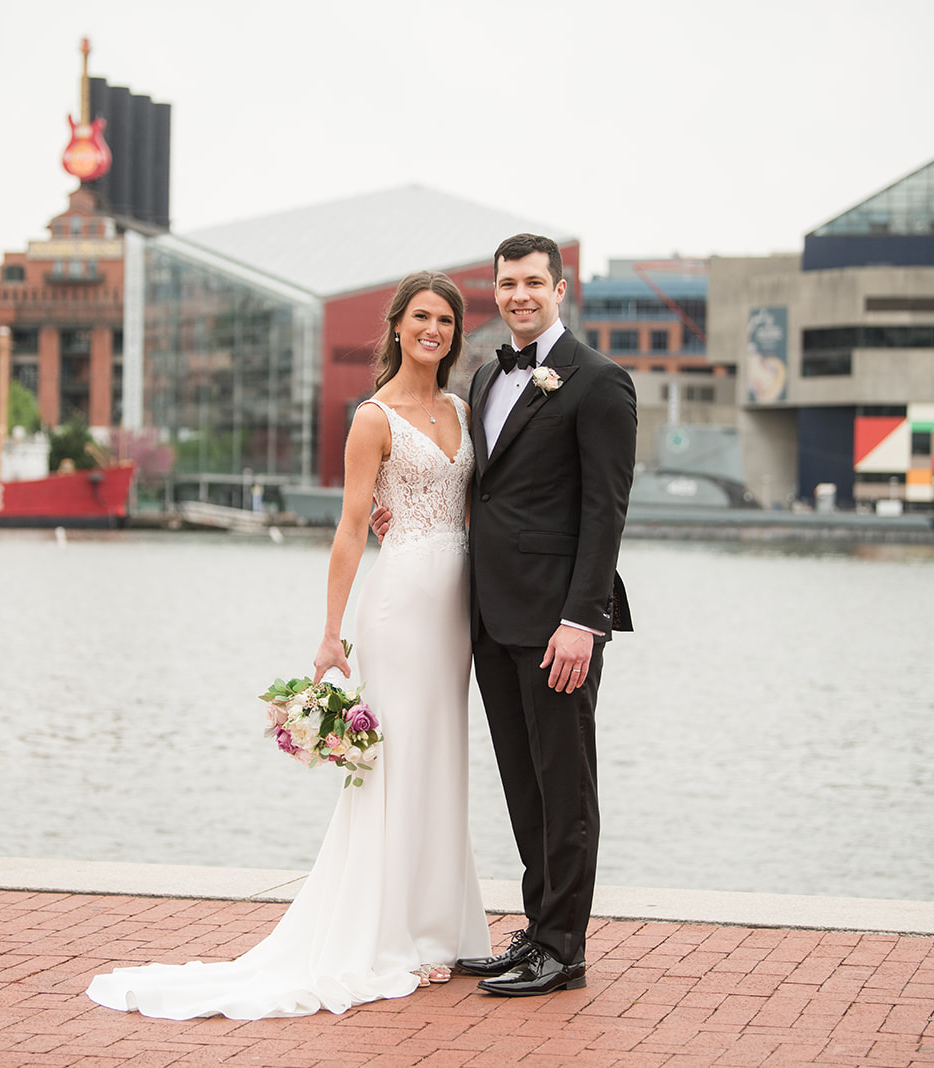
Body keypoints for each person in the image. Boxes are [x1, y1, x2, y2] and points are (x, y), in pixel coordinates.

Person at [85, 271, 490, 1020]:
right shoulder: (372, 418)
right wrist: (329, 634)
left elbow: (474, 509)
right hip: (398, 604)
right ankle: (394, 933)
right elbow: (347, 528)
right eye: (422, 317)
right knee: (396, 757)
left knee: (443, 752)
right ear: (398, 326)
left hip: (456, 606)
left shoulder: (464, 410)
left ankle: (444, 925)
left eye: (446, 320)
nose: (434, 329)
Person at [375, 234, 637, 996]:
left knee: (566, 788)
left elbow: (606, 512)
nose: (519, 295)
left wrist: (582, 622)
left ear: (560, 287)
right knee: (524, 787)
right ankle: (535, 934)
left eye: (533, 283)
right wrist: (396, 515)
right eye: (506, 284)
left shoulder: (598, 382)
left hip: (558, 624)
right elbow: (474, 489)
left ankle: (565, 949)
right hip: (488, 620)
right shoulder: (488, 373)